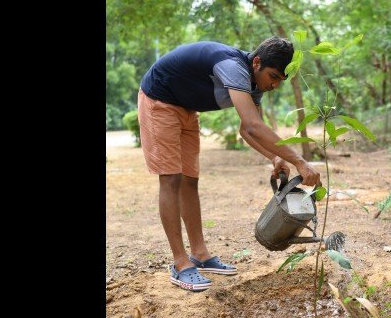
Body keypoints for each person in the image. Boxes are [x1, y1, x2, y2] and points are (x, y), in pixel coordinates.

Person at [137, 37, 321, 291]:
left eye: (280, 80)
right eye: (273, 76)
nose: (275, 85)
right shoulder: (233, 66)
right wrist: (300, 161)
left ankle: (200, 255)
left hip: (187, 110)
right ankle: (180, 263)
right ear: (256, 62)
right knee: (171, 178)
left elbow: (247, 131)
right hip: (159, 100)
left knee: (190, 181)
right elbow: (253, 125)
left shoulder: (255, 84)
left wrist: (274, 156)